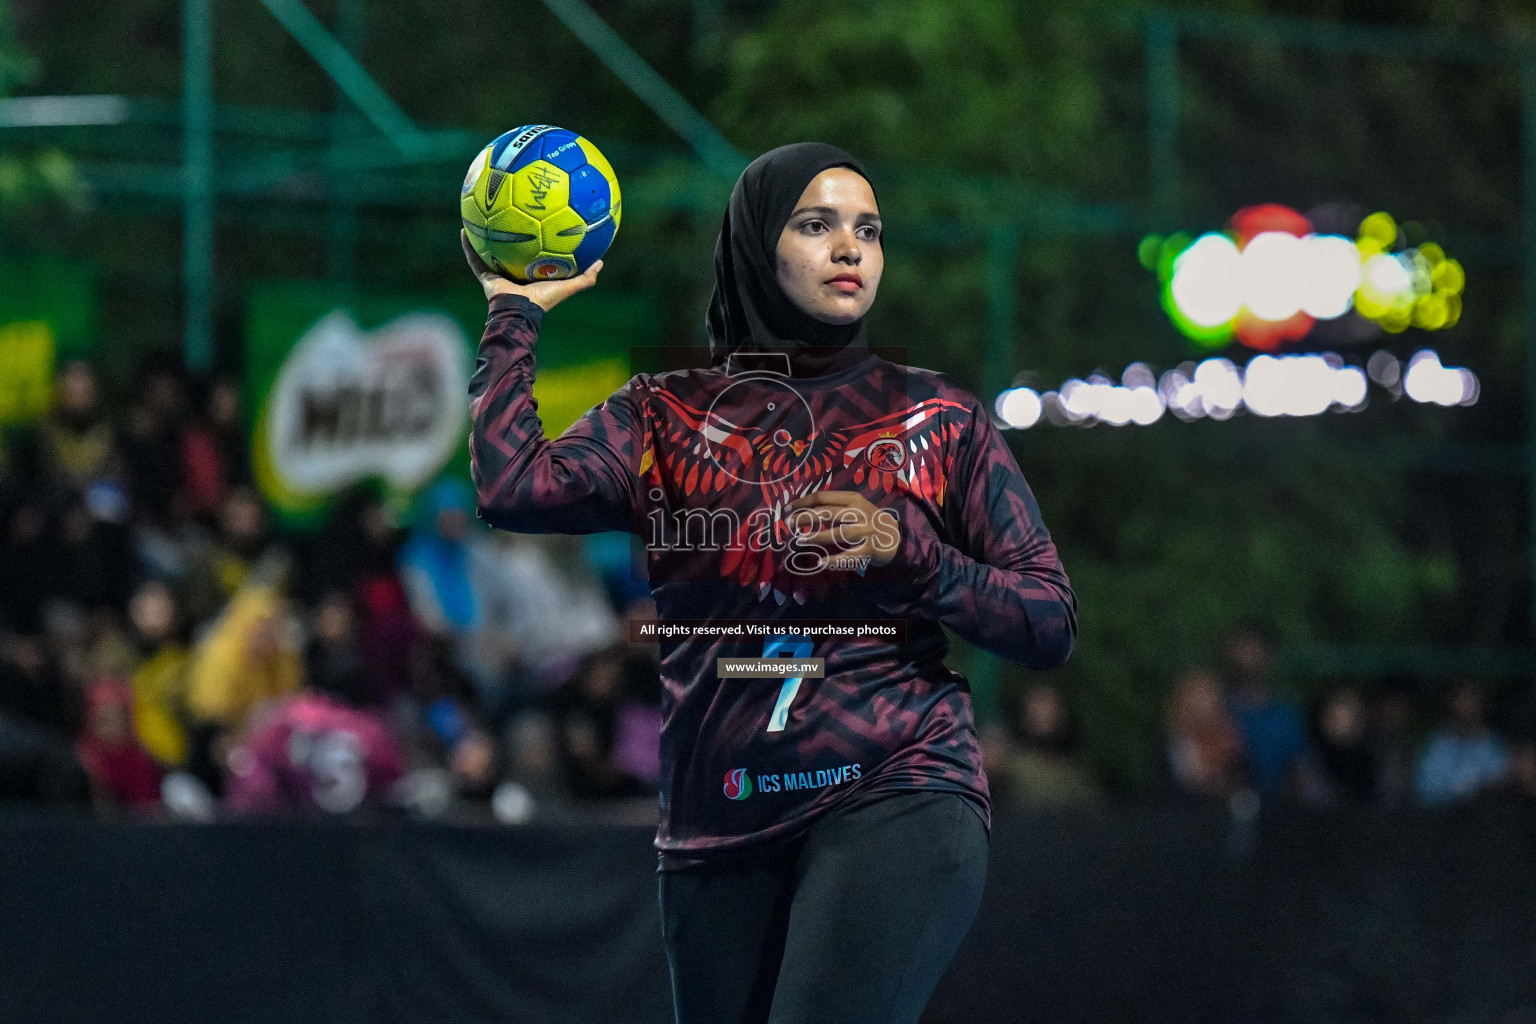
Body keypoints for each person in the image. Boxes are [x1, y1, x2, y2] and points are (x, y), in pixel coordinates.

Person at [463, 142, 1076, 1024]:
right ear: (756, 243)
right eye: (816, 224)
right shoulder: (662, 416)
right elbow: (511, 487)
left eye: (867, 229)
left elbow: (1049, 619)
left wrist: (914, 553)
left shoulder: (940, 420)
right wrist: (514, 312)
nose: (849, 248)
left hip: (897, 786)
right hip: (716, 823)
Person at [1416, 679, 1510, 805]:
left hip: (1485, 816)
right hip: (1443, 818)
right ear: (1452, 703)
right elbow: (1427, 790)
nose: (1467, 705)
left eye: (1472, 699)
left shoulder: (1494, 744)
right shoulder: (1435, 744)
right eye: (1463, 699)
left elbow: (1502, 784)